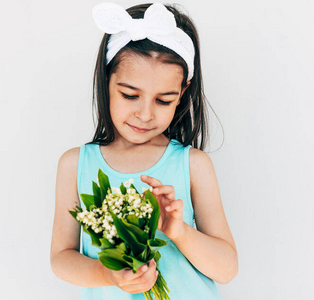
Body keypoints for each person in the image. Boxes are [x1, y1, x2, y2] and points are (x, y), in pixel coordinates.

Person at [50, 2, 238, 299]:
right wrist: (106, 273)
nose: (145, 114)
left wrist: (179, 231)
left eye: (163, 100)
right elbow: (61, 258)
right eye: (129, 95)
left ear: (182, 93)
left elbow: (227, 269)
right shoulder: (76, 164)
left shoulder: (193, 164)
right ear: (106, 80)